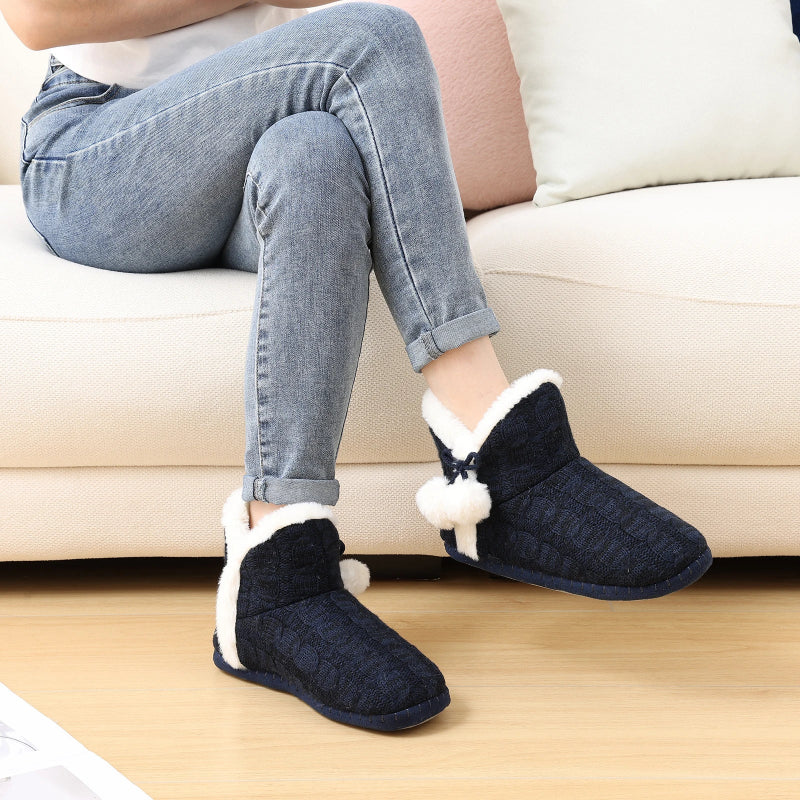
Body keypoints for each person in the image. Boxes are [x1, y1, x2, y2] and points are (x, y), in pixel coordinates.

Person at [5, 0, 712, 732]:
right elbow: (36, 18)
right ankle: (493, 444)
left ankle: (277, 578)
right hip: (97, 150)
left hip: (250, 135)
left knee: (315, 154)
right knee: (374, 36)